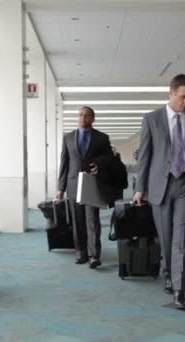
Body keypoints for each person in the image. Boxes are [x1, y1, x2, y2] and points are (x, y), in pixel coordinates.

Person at [133, 74, 185, 310]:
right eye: (183, 96)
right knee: (165, 238)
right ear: (172, 93)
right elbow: (145, 156)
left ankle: (179, 289)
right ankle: (168, 271)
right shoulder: (152, 119)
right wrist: (139, 188)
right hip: (160, 187)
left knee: (182, 239)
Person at [56, 106, 112, 269]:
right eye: (80, 115)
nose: (83, 118)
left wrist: (99, 166)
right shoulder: (68, 138)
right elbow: (64, 163)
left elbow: (109, 158)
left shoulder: (101, 138)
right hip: (73, 183)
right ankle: (81, 253)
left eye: (87, 116)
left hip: (91, 183)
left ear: (93, 119)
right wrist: (60, 188)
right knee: (78, 221)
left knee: (92, 220)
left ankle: (94, 255)